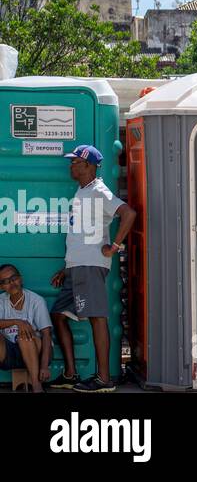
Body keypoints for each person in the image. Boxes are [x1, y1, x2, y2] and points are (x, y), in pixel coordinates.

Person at [47, 144, 136, 393]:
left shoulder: (99, 191)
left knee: (97, 318)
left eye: (74, 162)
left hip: (91, 264)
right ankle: (71, 374)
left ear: (88, 165)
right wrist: (67, 268)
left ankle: (104, 380)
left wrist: (115, 245)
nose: (70, 166)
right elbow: (80, 233)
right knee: (58, 315)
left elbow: (128, 214)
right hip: (77, 266)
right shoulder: (83, 191)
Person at [0, 264, 52, 392]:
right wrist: (17, 322)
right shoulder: (1, 301)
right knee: (22, 330)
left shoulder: (36, 301)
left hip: (36, 353)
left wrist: (44, 366)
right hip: (9, 355)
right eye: (5, 282)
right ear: (1, 287)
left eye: (13, 278)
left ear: (21, 279)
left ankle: (36, 386)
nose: (11, 283)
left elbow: (46, 334)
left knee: (24, 335)